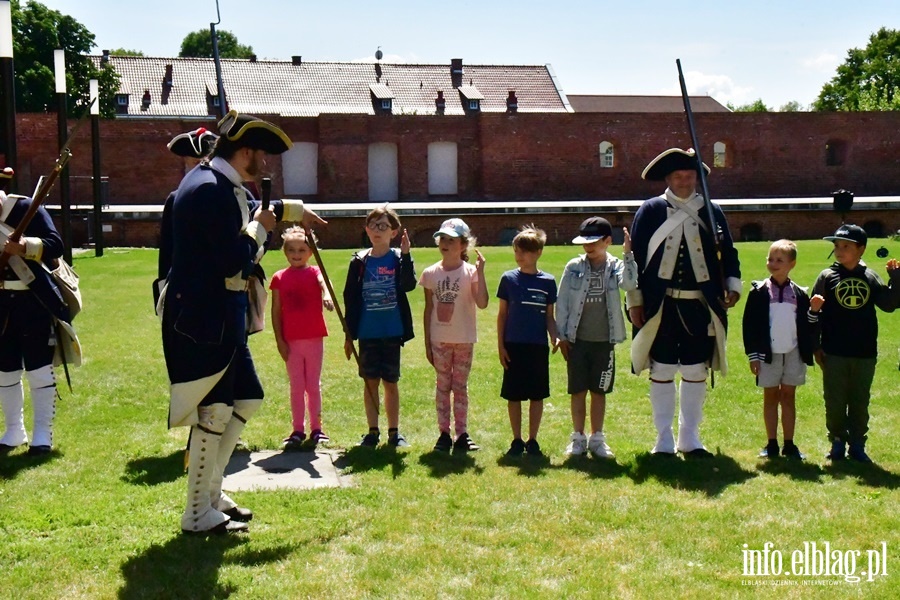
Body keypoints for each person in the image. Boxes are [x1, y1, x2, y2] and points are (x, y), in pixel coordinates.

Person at [162, 110, 325, 535]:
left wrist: (295, 210)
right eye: (263, 155)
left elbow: (255, 211)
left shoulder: (218, 184)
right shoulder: (209, 191)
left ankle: (212, 493)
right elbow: (232, 256)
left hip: (221, 314)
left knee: (246, 398)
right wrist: (258, 230)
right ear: (246, 151)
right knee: (213, 412)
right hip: (203, 316)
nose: (267, 164)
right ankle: (197, 511)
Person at [627, 148, 741, 458]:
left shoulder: (712, 211)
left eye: (689, 176)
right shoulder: (650, 211)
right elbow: (634, 259)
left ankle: (690, 436)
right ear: (668, 178)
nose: (684, 181)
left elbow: (728, 254)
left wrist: (732, 284)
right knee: (661, 369)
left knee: (695, 370)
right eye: (678, 176)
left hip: (699, 305)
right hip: (660, 305)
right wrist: (635, 300)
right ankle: (663, 438)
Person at [809, 224, 900, 463]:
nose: (839, 251)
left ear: (861, 249)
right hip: (834, 351)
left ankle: (858, 444)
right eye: (837, 246)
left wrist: (897, 280)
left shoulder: (869, 276)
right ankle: (837, 441)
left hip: (864, 352)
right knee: (835, 400)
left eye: (846, 246)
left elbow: (889, 304)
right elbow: (815, 313)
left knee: (860, 400)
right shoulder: (827, 277)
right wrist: (815, 345)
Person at [0, 167, 69, 456]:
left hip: (33, 300)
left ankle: (43, 434)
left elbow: (56, 244)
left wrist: (26, 246)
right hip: (1, 302)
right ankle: (13, 430)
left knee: (39, 368)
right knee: (5, 369)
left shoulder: (26, 208)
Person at [555, 217, 637, 459]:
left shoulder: (616, 266)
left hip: (604, 341)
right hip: (577, 340)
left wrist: (628, 255)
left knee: (599, 390)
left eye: (594, 242)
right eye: (584, 242)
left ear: (608, 241)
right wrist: (562, 335)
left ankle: (597, 438)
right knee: (578, 389)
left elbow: (630, 284)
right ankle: (578, 437)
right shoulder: (573, 267)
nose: (588, 247)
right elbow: (563, 303)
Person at [343, 205, 416, 448]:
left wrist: (406, 255)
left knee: (391, 383)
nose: (377, 230)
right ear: (366, 229)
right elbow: (350, 298)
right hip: (367, 332)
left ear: (393, 232)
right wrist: (349, 334)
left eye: (383, 226)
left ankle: (395, 432)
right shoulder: (359, 261)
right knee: (370, 381)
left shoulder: (397, 259)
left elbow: (408, 285)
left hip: (392, 331)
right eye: (373, 225)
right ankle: (372, 431)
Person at [419, 218, 489, 453]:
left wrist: (481, 273)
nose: (445, 244)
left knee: (460, 387)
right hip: (439, 338)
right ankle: (444, 433)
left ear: (463, 245)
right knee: (442, 386)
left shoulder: (470, 272)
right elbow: (429, 308)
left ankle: (462, 433)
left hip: (464, 339)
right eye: (443, 239)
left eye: (452, 240)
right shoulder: (430, 273)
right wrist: (427, 341)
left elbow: (482, 303)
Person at [742, 240, 814, 460]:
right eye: (770, 259)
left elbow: (808, 324)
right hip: (768, 353)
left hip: (793, 353)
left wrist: (815, 311)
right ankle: (771, 443)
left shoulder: (800, 294)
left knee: (788, 397)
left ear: (792, 264)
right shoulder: (759, 292)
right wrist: (754, 356)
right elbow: (749, 326)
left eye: (779, 260)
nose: (773, 264)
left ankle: (789, 444)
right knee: (770, 397)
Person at [497, 225, 558, 457]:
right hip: (514, 344)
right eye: (516, 251)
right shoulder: (508, 279)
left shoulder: (548, 282)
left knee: (537, 394)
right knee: (514, 394)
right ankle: (516, 439)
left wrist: (555, 335)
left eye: (524, 251)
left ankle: (533, 439)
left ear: (538, 252)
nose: (519, 256)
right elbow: (502, 315)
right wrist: (501, 345)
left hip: (537, 346)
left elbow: (549, 317)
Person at [271, 226, 334, 448]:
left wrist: (326, 296)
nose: (296, 254)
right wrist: (280, 341)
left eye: (301, 250)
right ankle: (298, 428)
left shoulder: (315, 271)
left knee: (313, 384)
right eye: (292, 250)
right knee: (296, 386)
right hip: (291, 341)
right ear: (285, 251)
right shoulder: (279, 277)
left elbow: (323, 284)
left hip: (314, 338)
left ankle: (317, 428)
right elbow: (276, 311)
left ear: (310, 252)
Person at [156, 127, 219, 303]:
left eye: (205, 162)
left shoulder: (235, 193)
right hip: (185, 291)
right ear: (185, 162)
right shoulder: (175, 199)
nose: (201, 169)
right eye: (195, 163)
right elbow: (168, 251)